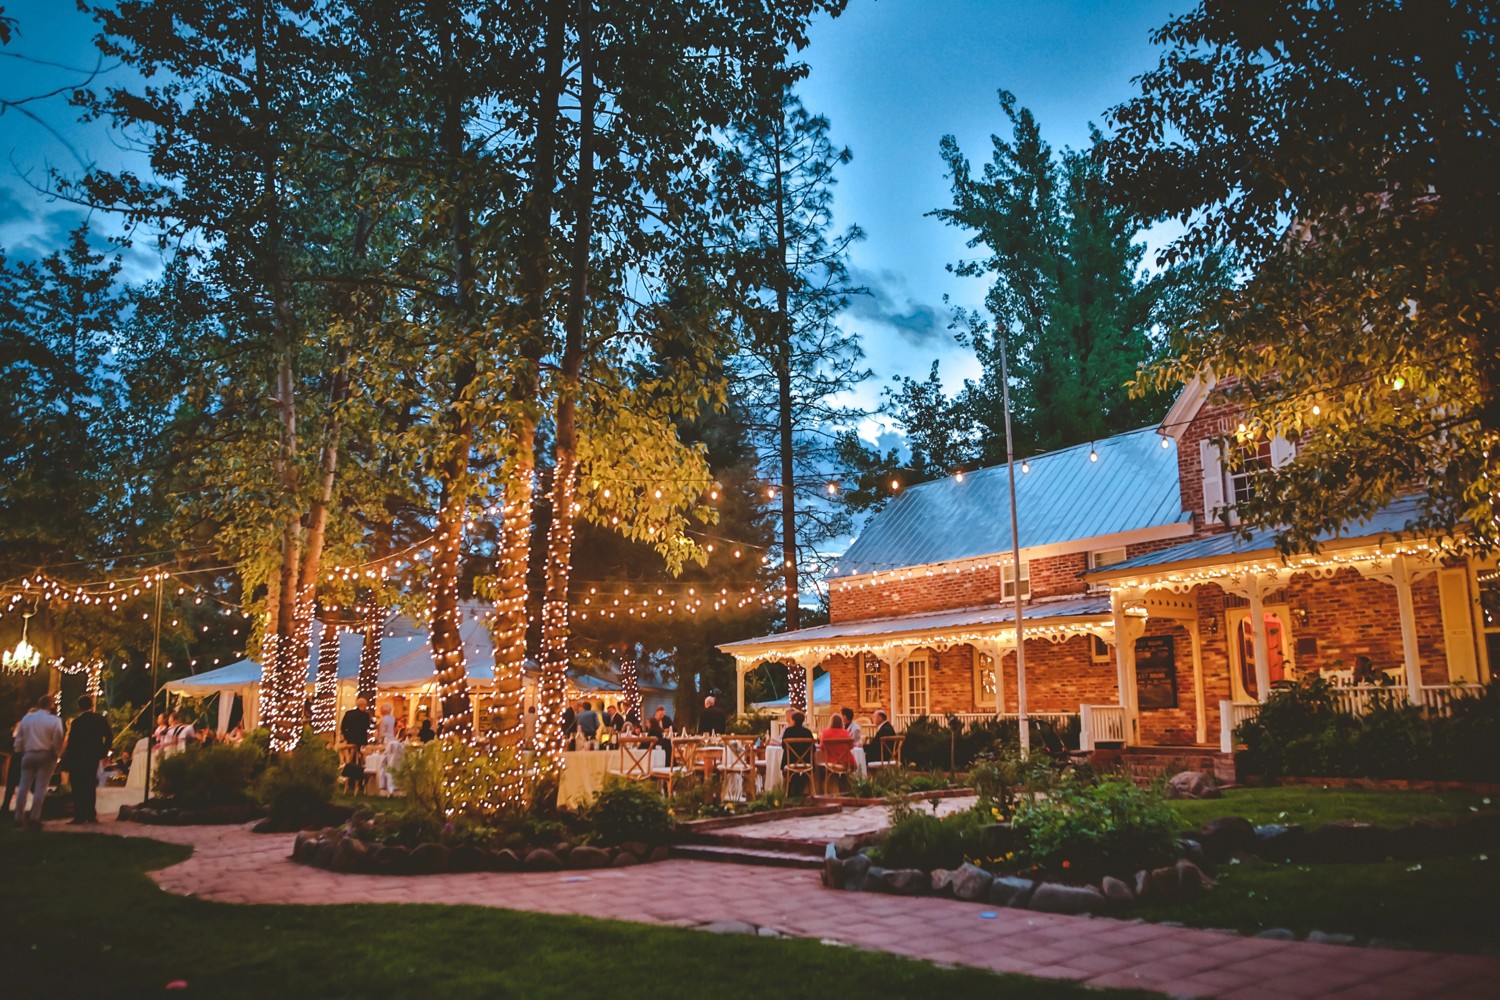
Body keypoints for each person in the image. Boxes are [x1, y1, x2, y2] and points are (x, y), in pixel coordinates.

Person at [13, 695, 65, 831]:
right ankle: (34, 817)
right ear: (51, 705)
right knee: (41, 787)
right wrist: (56, 752)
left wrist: (19, 750)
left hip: (28, 753)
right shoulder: (54, 720)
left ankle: (18, 817)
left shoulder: (27, 718)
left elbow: (19, 737)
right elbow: (58, 737)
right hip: (46, 754)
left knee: (23, 786)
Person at [62, 695, 113, 825]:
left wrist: (67, 759)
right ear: (91, 705)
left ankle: (79, 815)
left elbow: (72, 743)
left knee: (78, 786)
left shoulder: (77, 722)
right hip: (93, 756)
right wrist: (103, 751)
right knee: (90, 784)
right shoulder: (99, 719)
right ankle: (90, 814)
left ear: (79, 707)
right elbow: (109, 736)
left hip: (78, 757)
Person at [780, 710, 815, 797]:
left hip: (790, 762)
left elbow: (783, 746)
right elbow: (813, 749)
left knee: (786, 761)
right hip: (806, 762)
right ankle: (804, 790)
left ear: (793, 720)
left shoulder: (788, 731)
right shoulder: (807, 732)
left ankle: (788, 791)